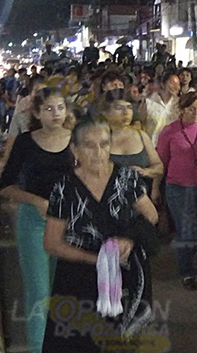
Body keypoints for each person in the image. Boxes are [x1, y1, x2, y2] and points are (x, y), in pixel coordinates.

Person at [42, 121, 159, 352]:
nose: (98, 152)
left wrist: (129, 239)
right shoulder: (65, 187)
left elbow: (152, 216)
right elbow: (52, 243)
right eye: (89, 146)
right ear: (75, 150)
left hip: (124, 276)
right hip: (79, 280)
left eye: (104, 144)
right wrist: (96, 260)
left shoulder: (126, 178)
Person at [0, 88, 74, 353]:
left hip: (70, 224)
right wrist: (37, 201)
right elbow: (6, 185)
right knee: (39, 291)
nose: (56, 114)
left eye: (60, 107)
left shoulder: (77, 140)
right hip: (34, 223)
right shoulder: (25, 142)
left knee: (62, 290)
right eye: (49, 109)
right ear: (37, 113)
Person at [155, 92, 197, 291]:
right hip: (177, 187)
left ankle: (184, 255)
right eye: (192, 109)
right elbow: (160, 161)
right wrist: (155, 187)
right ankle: (186, 271)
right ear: (182, 110)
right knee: (186, 229)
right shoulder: (170, 132)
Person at [101, 89, 164, 198]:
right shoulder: (99, 139)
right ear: (106, 112)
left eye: (129, 107)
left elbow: (159, 167)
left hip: (141, 200)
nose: (126, 112)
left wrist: (145, 171)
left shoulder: (141, 136)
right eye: (119, 108)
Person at [143, 71, 181, 139]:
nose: (176, 87)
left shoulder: (179, 104)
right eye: (172, 83)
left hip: (171, 144)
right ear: (163, 84)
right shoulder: (148, 102)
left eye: (178, 84)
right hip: (152, 145)